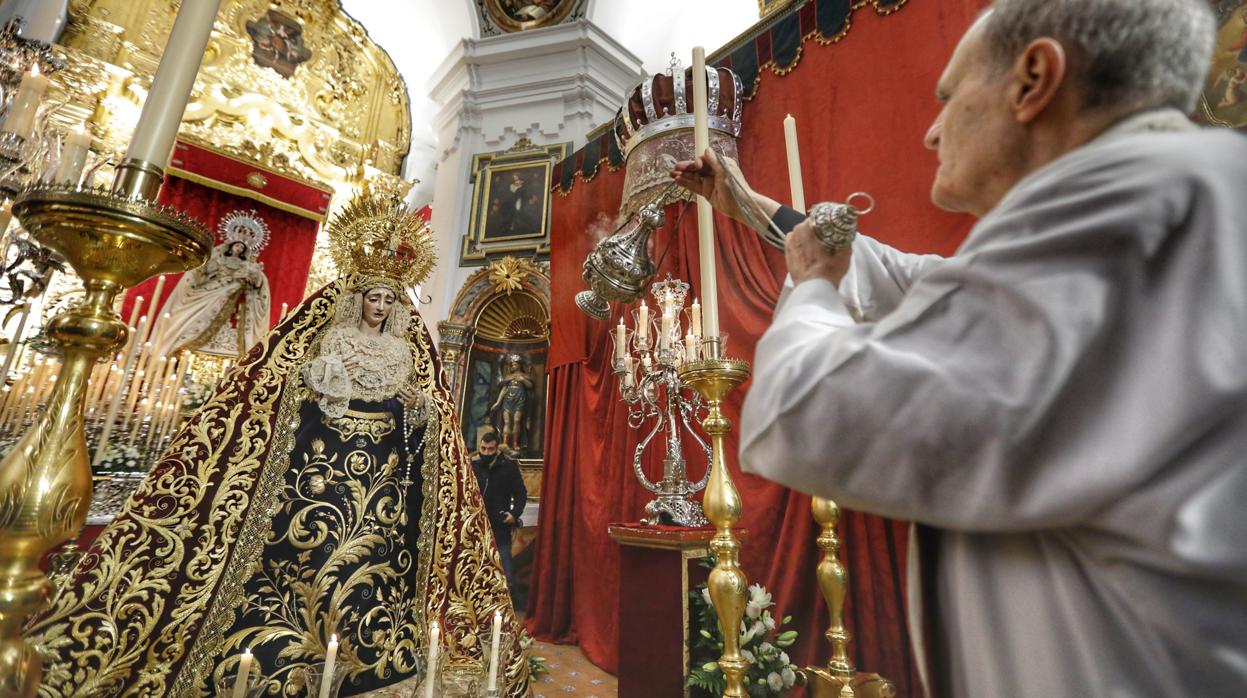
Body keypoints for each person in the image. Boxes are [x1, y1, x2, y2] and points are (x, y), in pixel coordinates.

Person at [672, 1, 1247, 697]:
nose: (930, 130)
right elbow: (912, 279)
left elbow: (798, 414)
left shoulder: (1114, 216)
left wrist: (810, 291)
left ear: (1033, 79)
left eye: (948, 96)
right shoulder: (1174, 194)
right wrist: (750, 206)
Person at [28, 192, 530, 697]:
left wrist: (417, 407)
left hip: (384, 476)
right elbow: (299, 388)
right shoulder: (331, 339)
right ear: (356, 299)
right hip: (323, 466)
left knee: (375, 563)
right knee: (304, 551)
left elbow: (422, 409)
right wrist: (325, 381)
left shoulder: (404, 350)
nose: (380, 307)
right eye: (373, 297)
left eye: (389, 300)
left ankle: (369, 652)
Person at [150, 227, 271, 358]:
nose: (239, 249)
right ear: (230, 246)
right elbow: (205, 271)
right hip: (214, 290)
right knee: (200, 312)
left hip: (237, 296)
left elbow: (258, 280)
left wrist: (252, 276)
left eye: (242, 248)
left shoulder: (248, 265)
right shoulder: (218, 257)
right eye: (237, 246)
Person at [471, 431, 527, 589]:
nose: (486, 453)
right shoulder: (472, 466)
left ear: (497, 449)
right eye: (483, 449)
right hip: (477, 525)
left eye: (490, 449)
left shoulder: (508, 467)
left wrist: (514, 514)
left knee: (504, 570)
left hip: (499, 526)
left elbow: (521, 493)